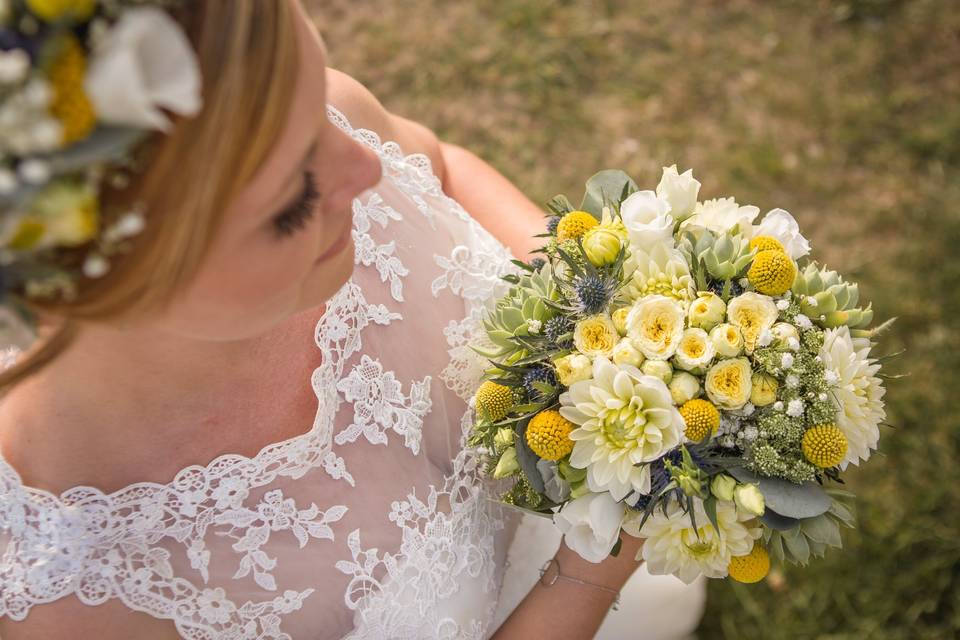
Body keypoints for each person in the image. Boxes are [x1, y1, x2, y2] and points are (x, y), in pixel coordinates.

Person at [0, 1, 703, 638]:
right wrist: (598, 563)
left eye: (319, 109)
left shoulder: (330, 139)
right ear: (105, 288)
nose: (366, 170)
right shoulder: (71, 608)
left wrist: (610, 307)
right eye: (291, 204)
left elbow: (442, 171)